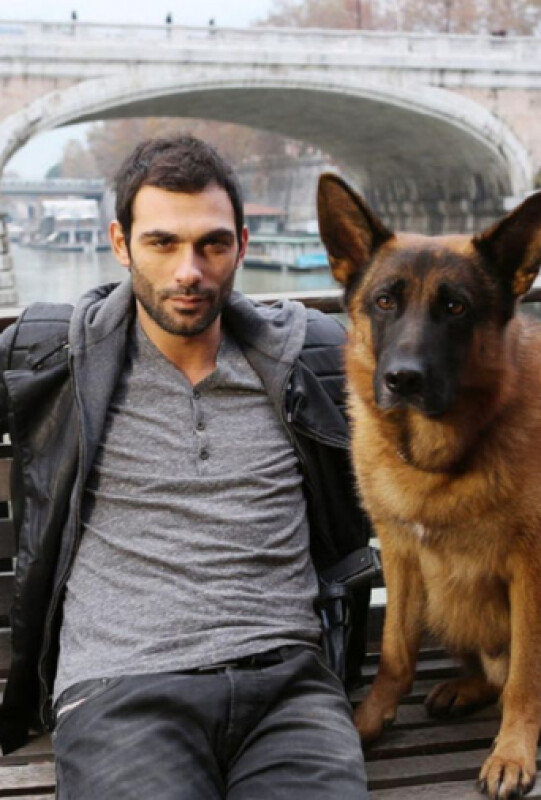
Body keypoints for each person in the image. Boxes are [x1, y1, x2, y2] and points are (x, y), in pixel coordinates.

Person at [0, 135, 372, 799]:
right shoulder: (54, 356)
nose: (189, 271)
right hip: (122, 691)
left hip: (289, 689)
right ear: (121, 244)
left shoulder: (308, 359)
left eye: (212, 244)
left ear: (242, 245)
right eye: (163, 243)